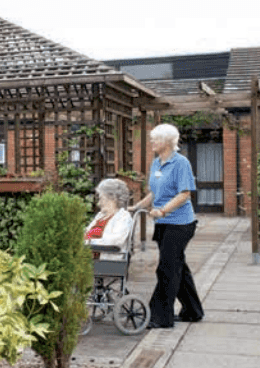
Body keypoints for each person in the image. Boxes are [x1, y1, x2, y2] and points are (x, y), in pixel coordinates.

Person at [133, 123, 204, 329]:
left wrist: (163, 210)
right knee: (178, 267)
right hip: (163, 224)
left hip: (180, 223)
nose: (152, 142)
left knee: (166, 268)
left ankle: (159, 316)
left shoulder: (181, 163)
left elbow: (185, 194)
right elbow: (154, 193)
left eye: (155, 139)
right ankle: (193, 311)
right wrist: (136, 207)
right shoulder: (156, 164)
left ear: (167, 142)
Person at [85, 177, 136, 253]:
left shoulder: (123, 217)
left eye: (101, 198)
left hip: (107, 260)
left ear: (113, 198)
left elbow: (116, 240)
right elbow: (87, 234)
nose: (99, 203)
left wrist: (91, 241)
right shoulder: (101, 216)